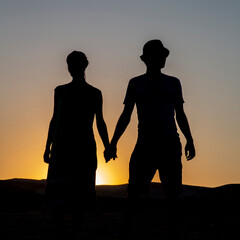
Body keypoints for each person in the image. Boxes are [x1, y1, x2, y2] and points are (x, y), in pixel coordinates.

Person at [105, 39, 196, 239]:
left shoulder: (173, 82)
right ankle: (125, 233)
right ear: (147, 59)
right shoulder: (136, 83)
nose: (163, 58)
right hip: (146, 143)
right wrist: (113, 142)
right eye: (159, 54)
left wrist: (189, 138)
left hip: (169, 142)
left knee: (171, 194)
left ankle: (171, 234)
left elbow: (180, 113)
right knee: (134, 192)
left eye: (164, 54)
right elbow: (126, 115)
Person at [43, 51, 110, 239]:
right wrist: (47, 146)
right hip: (65, 148)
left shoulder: (94, 93)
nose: (71, 68)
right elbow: (54, 119)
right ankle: (66, 234)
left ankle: (72, 234)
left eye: (73, 64)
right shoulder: (61, 91)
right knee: (62, 197)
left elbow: (100, 122)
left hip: (80, 148)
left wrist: (108, 145)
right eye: (69, 64)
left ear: (82, 66)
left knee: (77, 197)